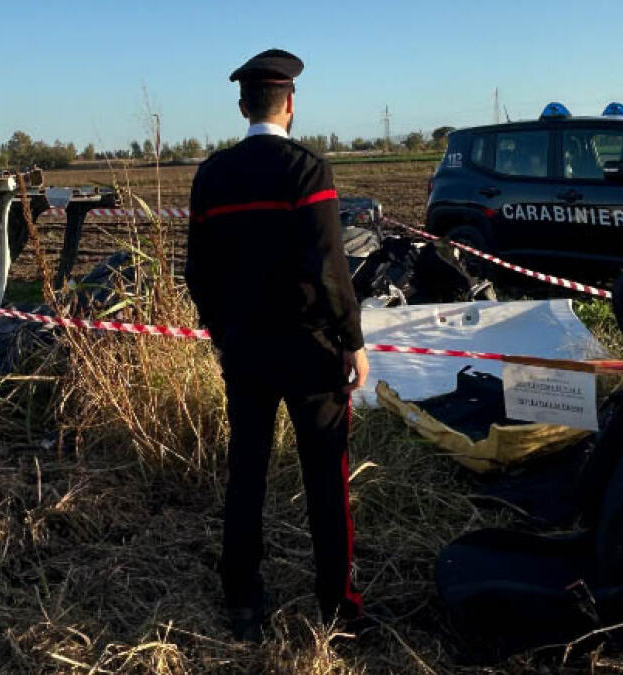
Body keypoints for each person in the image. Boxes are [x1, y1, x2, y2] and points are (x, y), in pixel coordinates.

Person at [185, 48, 370, 642]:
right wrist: (352, 341)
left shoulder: (212, 175)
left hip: (245, 350)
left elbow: (197, 272)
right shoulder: (307, 171)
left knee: (247, 472)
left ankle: (241, 599)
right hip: (310, 350)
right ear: (290, 105)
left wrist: (224, 333)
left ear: (243, 106)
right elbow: (329, 266)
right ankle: (337, 609)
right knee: (325, 475)